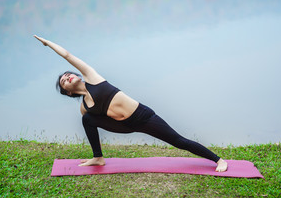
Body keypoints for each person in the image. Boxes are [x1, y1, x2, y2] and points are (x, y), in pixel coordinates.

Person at [34, 35, 228, 172]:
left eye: (68, 74)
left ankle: (218, 160)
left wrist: (48, 43)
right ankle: (98, 157)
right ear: (67, 92)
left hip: (143, 117)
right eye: (63, 81)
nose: (67, 77)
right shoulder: (84, 106)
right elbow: (96, 121)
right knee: (87, 120)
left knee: (178, 141)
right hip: (124, 126)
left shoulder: (92, 77)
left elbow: (67, 55)